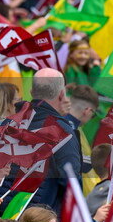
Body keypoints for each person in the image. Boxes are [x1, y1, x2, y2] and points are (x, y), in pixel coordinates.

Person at [25, 68, 82, 214]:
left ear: (32, 92)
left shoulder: (10, 123)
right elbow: (71, 185)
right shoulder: (63, 132)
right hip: (39, 221)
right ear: (62, 94)